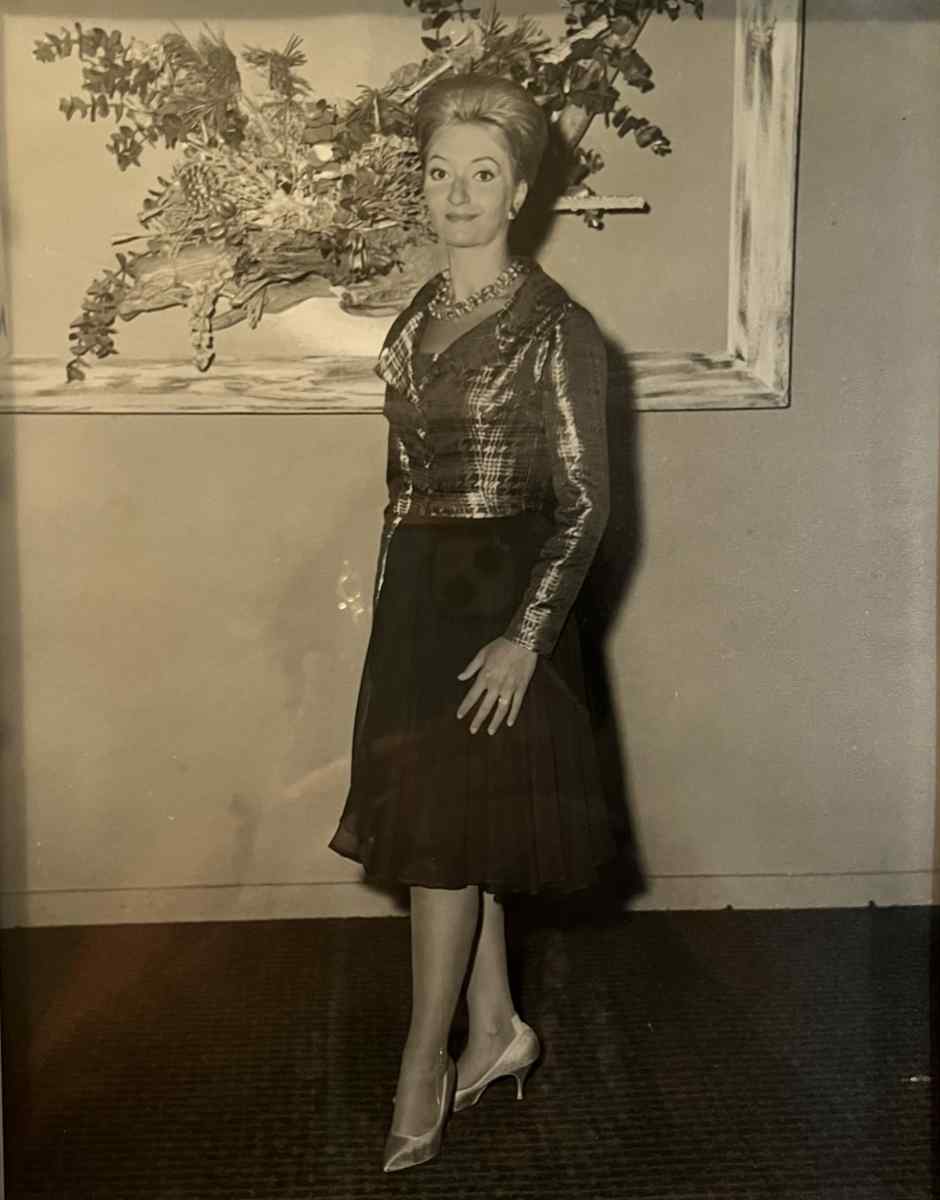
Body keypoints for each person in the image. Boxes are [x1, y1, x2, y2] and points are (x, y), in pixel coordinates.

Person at [328, 72, 617, 1173]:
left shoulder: (558, 328)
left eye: (482, 174)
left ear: (520, 191)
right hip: (420, 598)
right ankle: (496, 1030)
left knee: (447, 843)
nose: (457, 194)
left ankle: (424, 1064)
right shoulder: (415, 318)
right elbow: (402, 481)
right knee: (453, 831)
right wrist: (392, 607)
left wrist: (525, 637)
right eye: (440, 172)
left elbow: (586, 506)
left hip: (502, 601)